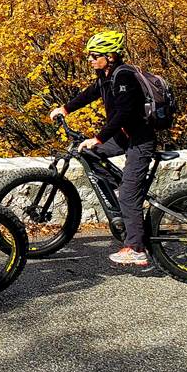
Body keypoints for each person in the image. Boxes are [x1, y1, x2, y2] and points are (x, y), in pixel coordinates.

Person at [49, 29, 156, 266]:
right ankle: (124, 186)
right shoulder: (106, 76)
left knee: (128, 196)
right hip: (124, 137)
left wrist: (98, 138)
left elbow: (125, 114)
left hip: (139, 140)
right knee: (87, 153)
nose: (89, 59)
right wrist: (65, 109)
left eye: (94, 55)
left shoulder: (124, 76)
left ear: (111, 55)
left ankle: (136, 248)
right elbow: (89, 94)